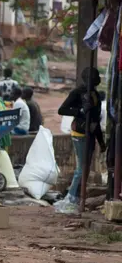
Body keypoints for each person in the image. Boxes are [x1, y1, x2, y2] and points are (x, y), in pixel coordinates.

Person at [56, 68, 106, 213]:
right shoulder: (77, 93)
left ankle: (77, 198)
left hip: (90, 133)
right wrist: (80, 111)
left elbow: (96, 121)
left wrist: (101, 142)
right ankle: (71, 198)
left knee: (85, 169)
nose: (95, 80)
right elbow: (62, 110)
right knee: (81, 169)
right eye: (93, 77)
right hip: (79, 133)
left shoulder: (95, 94)